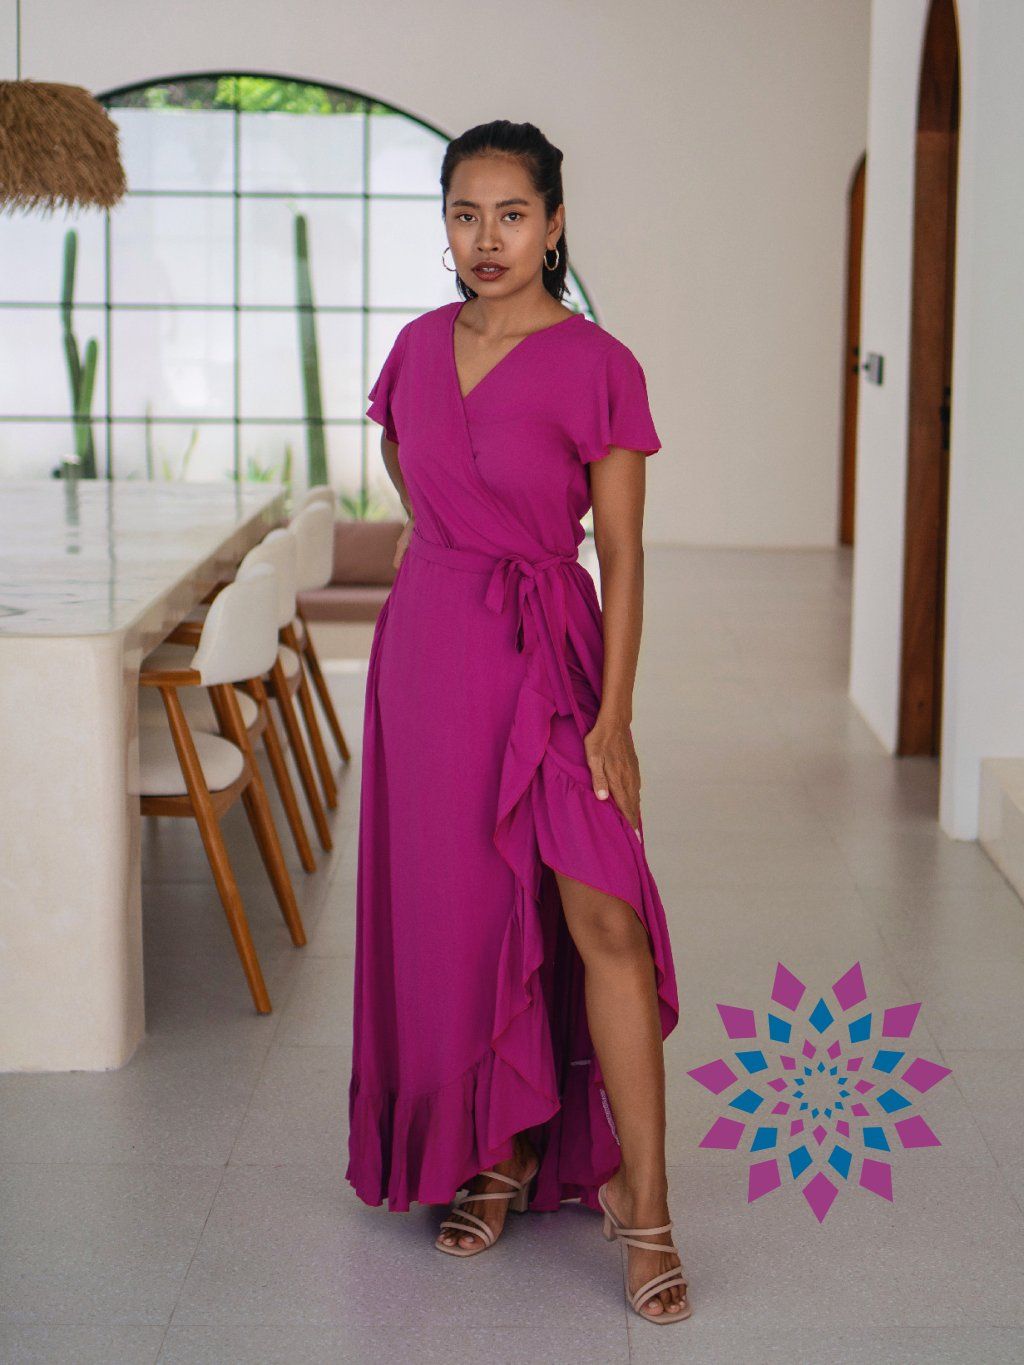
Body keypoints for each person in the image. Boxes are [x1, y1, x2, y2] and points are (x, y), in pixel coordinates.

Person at [345, 118, 690, 1324]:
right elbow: (408, 467)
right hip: (431, 660)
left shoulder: (599, 362)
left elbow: (624, 553)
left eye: (510, 214)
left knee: (605, 918)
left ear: (552, 225)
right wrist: (462, 548)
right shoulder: (413, 347)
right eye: (464, 214)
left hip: (551, 657)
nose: (485, 238)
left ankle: (645, 1204)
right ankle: (498, 1152)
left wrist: (616, 715)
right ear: (444, 225)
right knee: (464, 919)